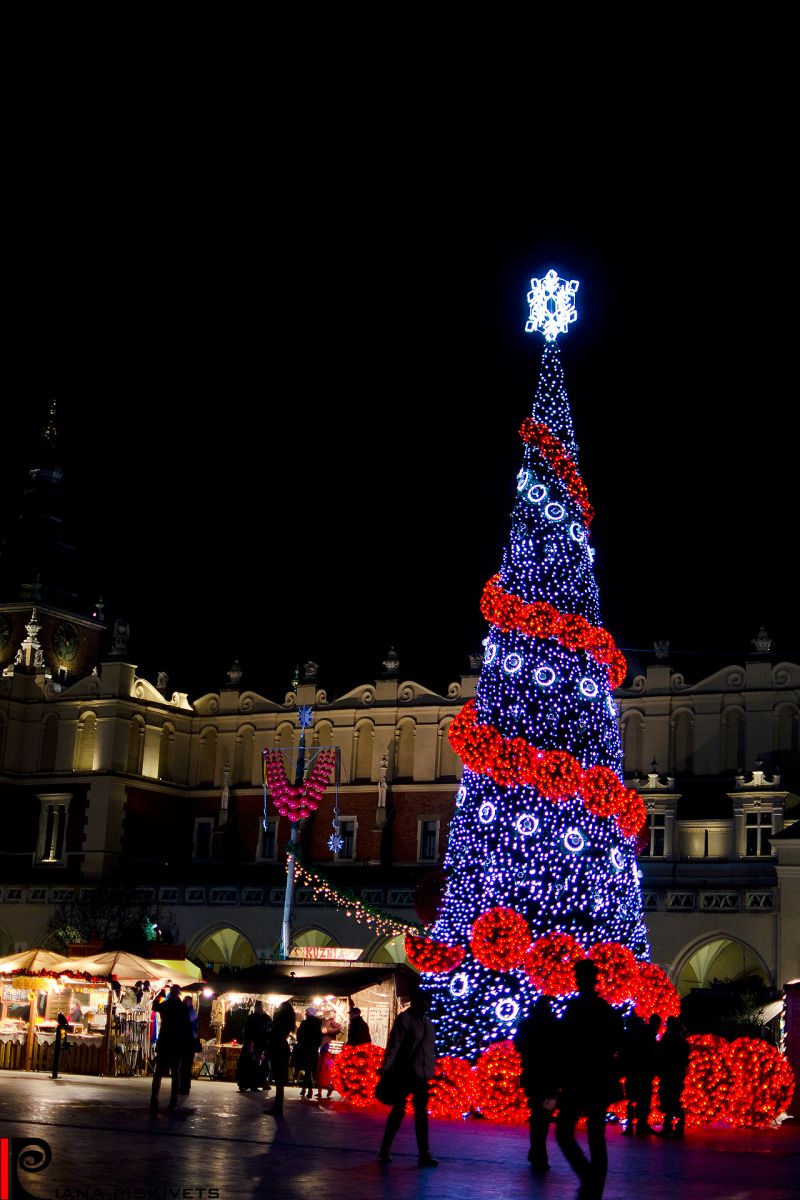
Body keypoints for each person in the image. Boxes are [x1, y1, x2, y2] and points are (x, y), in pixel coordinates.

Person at [555, 959, 624, 1200]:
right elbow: (618, 1042)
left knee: (566, 1132)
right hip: (598, 1079)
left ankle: (589, 1181)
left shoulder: (576, 1009)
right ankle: (593, 1185)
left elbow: (563, 1043)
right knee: (596, 1136)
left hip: (581, 1078)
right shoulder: (605, 1010)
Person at [377, 988, 438, 1168]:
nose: (428, 1004)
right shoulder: (404, 1019)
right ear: (417, 1001)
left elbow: (429, 1051)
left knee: (421, 1114)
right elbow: (394, 1045)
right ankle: (385, 1147)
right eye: (426, 1001)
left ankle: (424, 1153)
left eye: (429, 1001)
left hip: (421, 1075)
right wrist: (386, 1068)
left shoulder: (428, 1023)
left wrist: (431, 1071)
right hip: (404, 1072)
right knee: (399, 1110)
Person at [513, 995, 559, 1173]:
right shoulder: (551, 1025)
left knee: (540, 1114)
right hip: (547, 1079)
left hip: (539, 1078)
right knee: (543, 1114)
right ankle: (538, 1152)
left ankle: (537, 1151)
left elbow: (518, 1043)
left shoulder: (529, 1024)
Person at [149, 983, 194, 1112]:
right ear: (179, 994)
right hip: (176, 1045)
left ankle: (154, 1100)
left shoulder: (166, 1005)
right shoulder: (182, 1008)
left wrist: (160, 993)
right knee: (175, 1074)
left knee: (159, 1073)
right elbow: (187, 1027)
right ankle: (173, 1102)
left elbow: (154, 1006)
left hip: (165, 1042)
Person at [621, 1012, 660, 1136]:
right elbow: (652, 1053)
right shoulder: (646, 1036)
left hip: (633, 1071)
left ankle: (630, 1125)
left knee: (632, 1098)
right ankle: (641, 1124)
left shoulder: (629, 1037)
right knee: (643, 1098)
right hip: (643, 1072)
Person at [656, 1016, 690, 1138]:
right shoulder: (679, 1041)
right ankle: (673, 1126)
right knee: (672, 1099)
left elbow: (663, 1054)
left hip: (671, 1073)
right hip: (674, 1074)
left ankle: (673, 1126)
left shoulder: (673, 1040)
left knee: (672, 1099)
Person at [264, 1001, 296, 1117]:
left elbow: (274, 1033)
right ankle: (278, 1106)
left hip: (277, 1047)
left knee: (278, 1078)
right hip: (282, 1047)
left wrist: (267, 1033)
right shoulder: (289, 1020)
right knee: (280, 1080)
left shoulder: (279, 1020)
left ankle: (277, 1107)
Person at [236, 1000, 272, 1092]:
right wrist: (249, 1043)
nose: (259, 1009)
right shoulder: (251, 1018)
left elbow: (269, 1031)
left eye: (260, 1007)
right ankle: (248, 1084)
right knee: (250, 1065)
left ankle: (260, 1083)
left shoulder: (267, 1018)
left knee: (261, 1066)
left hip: (262, 1045)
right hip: (252, 1045)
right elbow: (247, 1032)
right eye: (258, 1007)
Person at [294, 1005, 324, 1099]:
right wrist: (316, 1046)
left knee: (307, 1070)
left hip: (305, 1048)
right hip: (313, 1049)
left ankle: (308, 1089)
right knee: (309, 1070)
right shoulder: (318, 1024)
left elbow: (299, 1035)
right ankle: (305, 1089)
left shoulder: (304, 1023)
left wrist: (301, 1042)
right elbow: (320, 1037)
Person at [178, 994, 200, 1098]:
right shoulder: (190, 1012)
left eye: (185, 1001)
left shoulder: (191, 1013)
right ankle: (183, 1087)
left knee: (185, 1066)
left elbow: (186, 1023)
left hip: (189, 1042)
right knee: (184, 1067)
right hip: (186, 1042)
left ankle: (185, 1087)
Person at [316, 1036, 335, 1101]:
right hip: (322, 1071)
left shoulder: (325, 1057)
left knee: (323, 1083)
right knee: (320, 1083)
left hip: (324, 1071)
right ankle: (320, 1092)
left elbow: (329, 1065)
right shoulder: (325, 1057)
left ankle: (328, 1089)